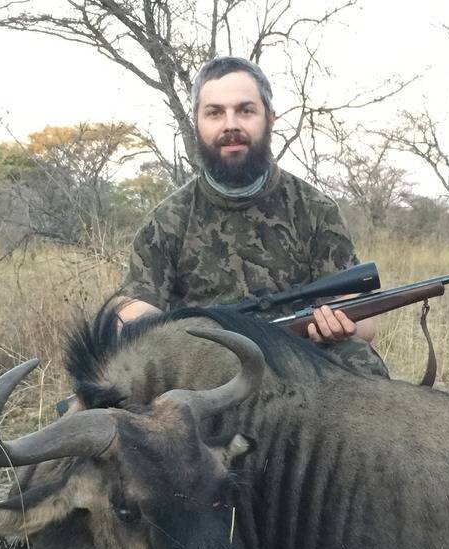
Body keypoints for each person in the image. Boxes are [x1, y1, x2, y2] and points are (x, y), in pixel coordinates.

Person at [114, 56, 388, 377]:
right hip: (203, 364)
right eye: (215, 112)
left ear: (270, 119)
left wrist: (340, 326)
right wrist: (148, 327)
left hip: (301, 355)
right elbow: (135, 309)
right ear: (197, 123)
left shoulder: (315, 208)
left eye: (246, 110)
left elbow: (366, 322)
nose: (231, 125)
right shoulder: (166, 220)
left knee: (363, 364)